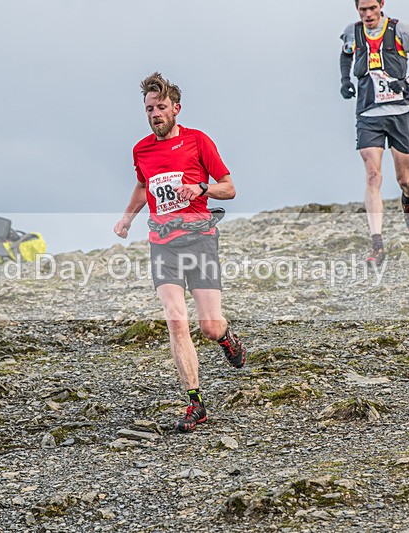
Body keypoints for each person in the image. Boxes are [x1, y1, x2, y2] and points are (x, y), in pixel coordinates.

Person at [114, 72, 246, 433]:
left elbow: (229, 188)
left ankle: (226, 338)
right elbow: (143, 186)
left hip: (200, 239)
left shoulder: (198, 142)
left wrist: (200, 187)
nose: (154, 114)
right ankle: (196, 403)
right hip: (163, 244)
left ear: (176, 108)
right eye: (148, 109)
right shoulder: (141, 150)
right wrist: (126, 219)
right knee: (175, 318)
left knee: (209, 326)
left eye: (160, 107)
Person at [340, 0, 409, 265]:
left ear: (382, 4)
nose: (368, 14)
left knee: (404, 178)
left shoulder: (401, 30)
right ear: (356, 9)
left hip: (399, 113)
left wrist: (408, 81)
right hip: (368, 114)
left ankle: (408, 198)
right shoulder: (353, 32)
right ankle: (377, 245)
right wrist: (346, 80)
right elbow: (346, 54)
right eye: (363, 10)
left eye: (372, 8)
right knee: (373, 175)